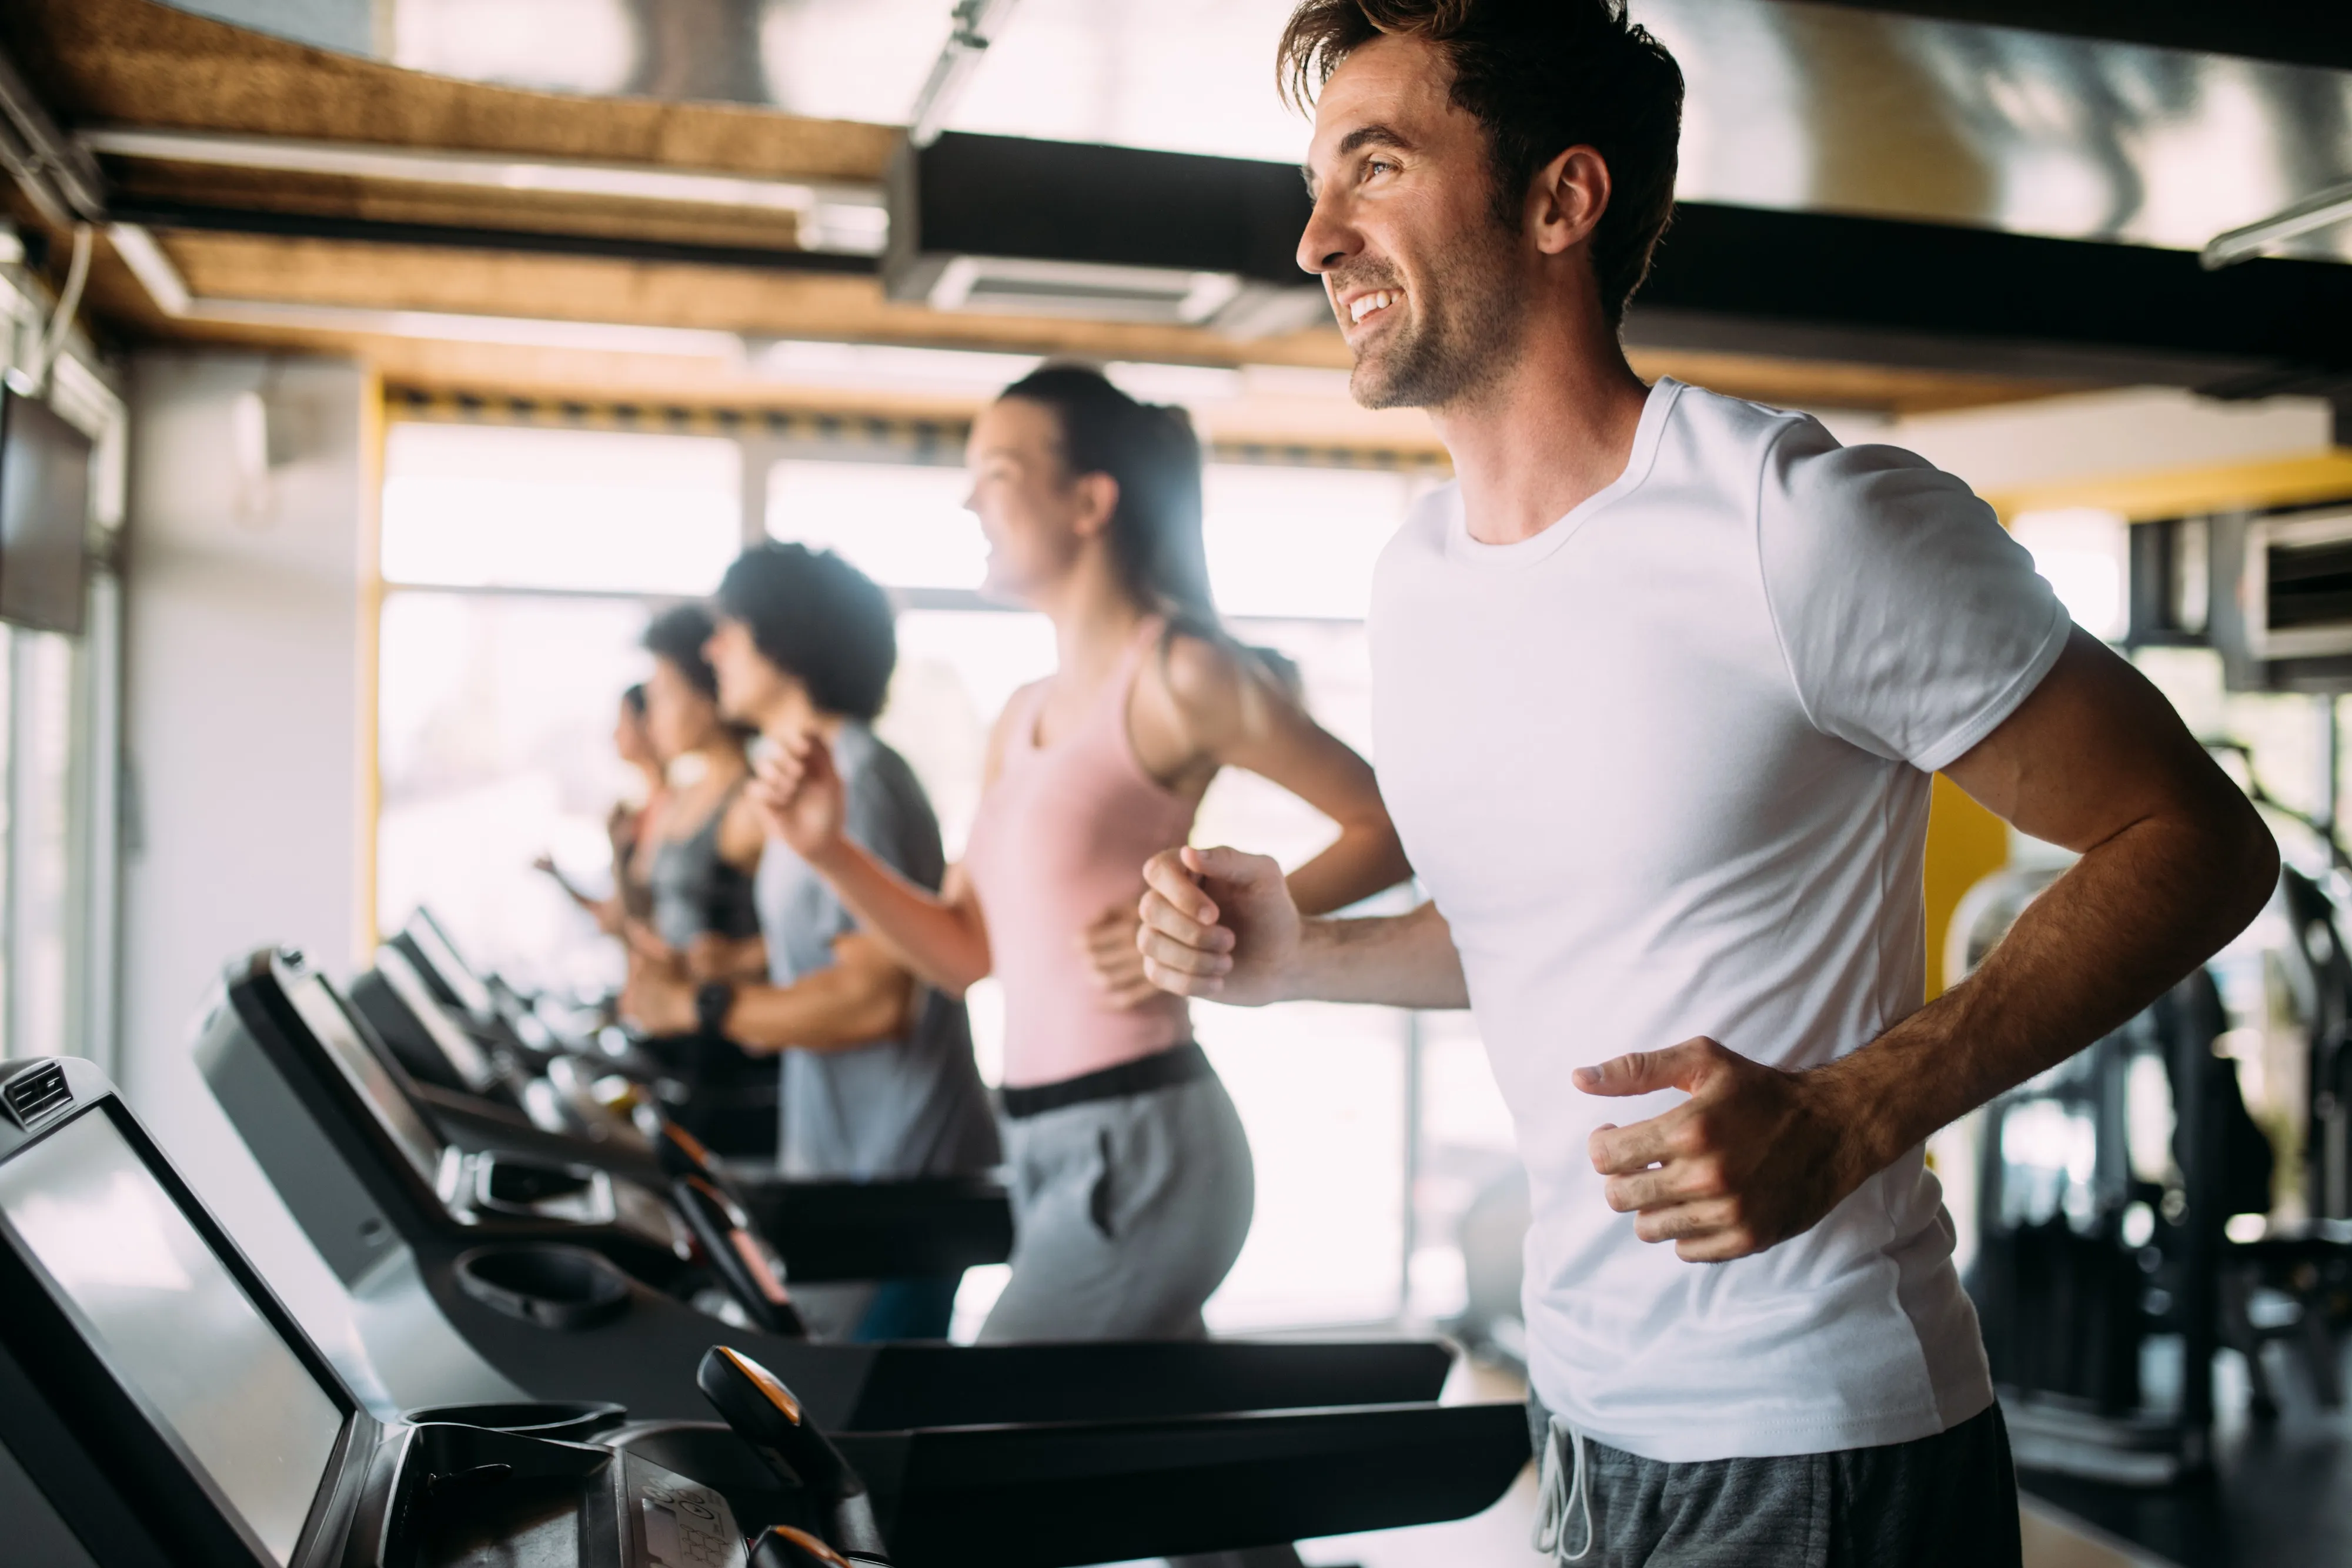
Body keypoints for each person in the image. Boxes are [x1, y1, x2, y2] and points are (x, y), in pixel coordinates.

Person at [1131, 6, 2280, 1566]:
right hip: (1589, 1416)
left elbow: (2196, 840)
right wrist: (1301, 957)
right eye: (1323, 181)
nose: (1317, 234)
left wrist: (1860, 1106)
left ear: (1561, 201)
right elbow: (1541, 938)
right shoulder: (1417, 580)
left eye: (1378, 169)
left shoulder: (1798, 522)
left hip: (1816, 1434)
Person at [754, 365, 1412, 1342]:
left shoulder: (1180, 675)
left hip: (1143, 1140)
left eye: (1000, 472)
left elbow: (1388, 826)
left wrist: (1223, 925)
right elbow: (964, 954)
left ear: (1091, 501)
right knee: (1124, 1456)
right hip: (1044, 1142)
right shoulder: (1018, 717)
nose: (969, 497)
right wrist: (830, 850)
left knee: (995, 1416)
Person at [622, 543, 1000, 1340]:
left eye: (730, 629)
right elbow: (845, 937)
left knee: (875, 1423)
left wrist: (699, 1003)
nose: (713, 648)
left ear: (785, 644)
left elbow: (875, 998)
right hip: (850, 1152)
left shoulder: (856, 781)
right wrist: (734, 961)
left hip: (897, 1172)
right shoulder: (806, 774)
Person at [631, 603, 774, 1152]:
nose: (653, 714)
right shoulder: (683, 797)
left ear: (708, 695)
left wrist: (737, 959)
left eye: (666, 692)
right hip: (677, 1038)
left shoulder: (753, 801)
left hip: (733, 1049)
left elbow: (808, 933)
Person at [537, 683, 666, 934]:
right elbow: (616, 917)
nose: (614, 735)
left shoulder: (672, 811)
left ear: (648, 724)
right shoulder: (634, 813)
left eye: (623, 722)